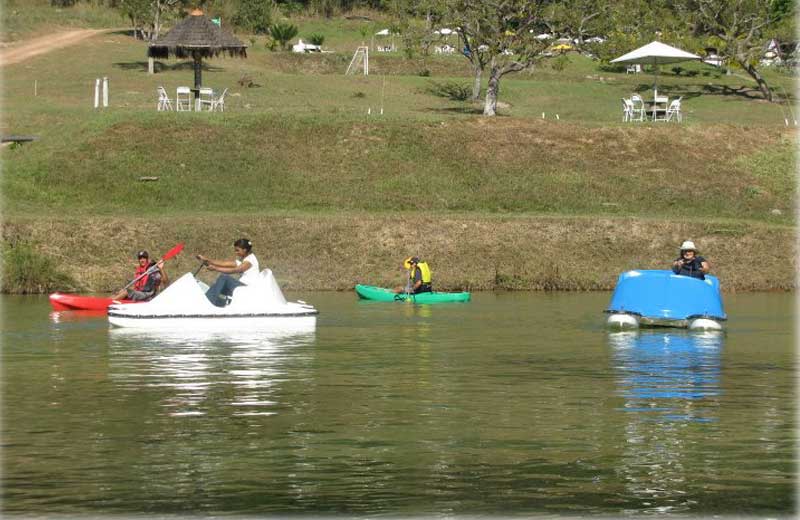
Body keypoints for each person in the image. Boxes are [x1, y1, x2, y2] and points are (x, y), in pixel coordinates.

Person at [196, 238, 260, 307]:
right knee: (217, 286)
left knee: (224, 278)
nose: (236, 252)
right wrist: (207, 259)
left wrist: (215, 268)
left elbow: (235, 270)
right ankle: (210, 303)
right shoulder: (244, 259)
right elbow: (224, 263)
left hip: (247, 289)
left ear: (244, 250)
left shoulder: (250, 261)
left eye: (237, 250)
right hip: (240, 288)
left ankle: (206, 304)